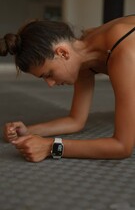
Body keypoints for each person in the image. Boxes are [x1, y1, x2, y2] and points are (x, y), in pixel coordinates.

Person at [0, 15, 135, 162]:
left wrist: (51, 147)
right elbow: (75, 120)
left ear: (63, 53)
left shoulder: (123, 51)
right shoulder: (82, 53)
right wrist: (28, 131)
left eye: (49, 74)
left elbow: (122, 146)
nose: (50, 84)